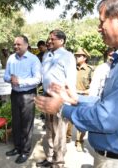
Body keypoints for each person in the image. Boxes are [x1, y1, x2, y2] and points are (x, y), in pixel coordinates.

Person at [35, 0, 118, 168]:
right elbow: (108, 103)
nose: (98, 28)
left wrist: (61, 108)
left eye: (101, 21)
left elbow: (106, 117)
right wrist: (76, 99)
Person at [36, 29, 76, 168]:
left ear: (62, 41)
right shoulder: (47, 55)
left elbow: (71, 80)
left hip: (60, 99)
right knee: (49, 129)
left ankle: (58, 162)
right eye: (49, 39)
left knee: (59, 131)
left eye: (52, 39)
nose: (49, 41)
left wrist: (67, 99)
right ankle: (50, 157)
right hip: (47, 96)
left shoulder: (68, 56)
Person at [4, 35, 41, 164]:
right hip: (15, 94)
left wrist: (20, 81)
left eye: (19, 44)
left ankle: (25, 152)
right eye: (14, 44)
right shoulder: (11, 58)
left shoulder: (33, 59)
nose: (16, 47)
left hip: (28, 95)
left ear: (26, 45)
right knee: (16, 123)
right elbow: (5, 76)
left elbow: (37, 79)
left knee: (27, 124)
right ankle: (17, 147)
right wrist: (11, 79)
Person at [73, 48, 93, 152]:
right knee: (68, 120)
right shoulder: (72, 68)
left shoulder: (89, 70)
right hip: (72, 96)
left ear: (85, 57)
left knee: (81, 121)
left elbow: (93, 86)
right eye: (76, 55)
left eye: (79, 55)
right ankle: (67, 138)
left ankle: (79, 141)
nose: (77, 57)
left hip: (83, 97)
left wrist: (83, 92)